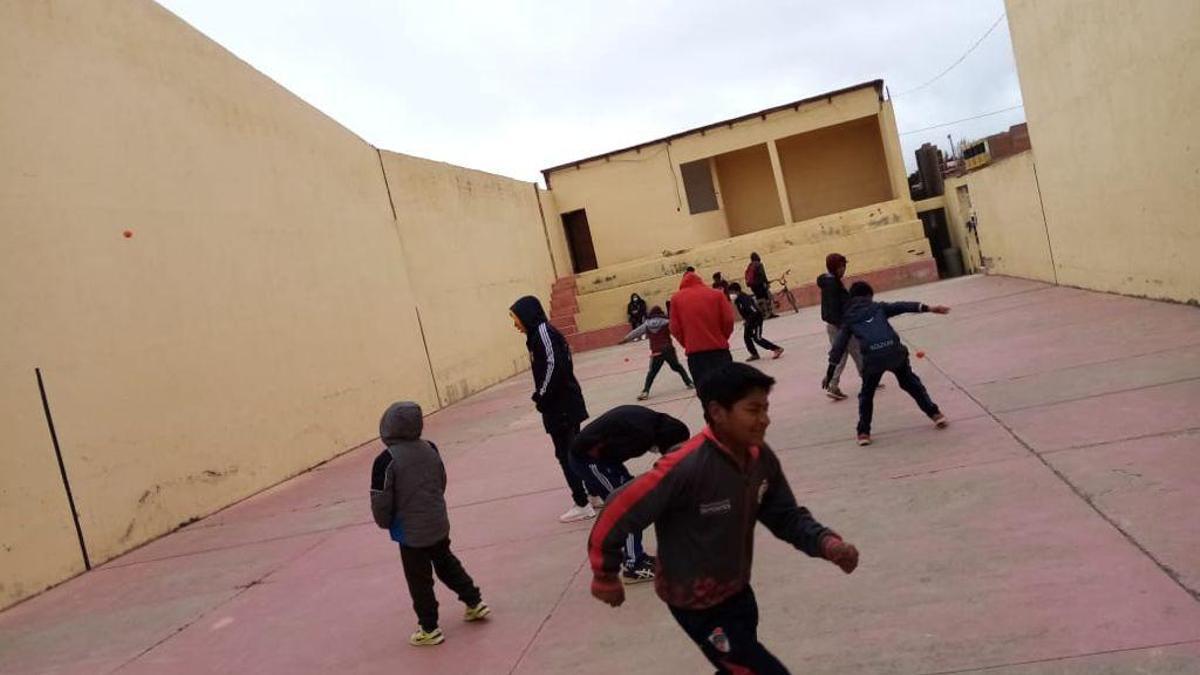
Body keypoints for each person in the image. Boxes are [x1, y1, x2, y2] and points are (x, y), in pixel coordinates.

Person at [587, 364, 860, 674]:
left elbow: (785, 516)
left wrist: (828, 544)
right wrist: (604, 574)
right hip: (694, 603)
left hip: (738, 592)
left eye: (766, 409)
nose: (764, 420)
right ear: (717, 412)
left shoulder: (760, 458)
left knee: (737, 664)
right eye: (753, 410)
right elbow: (618, 510)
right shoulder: (684, 467)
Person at [370, 401, 491, 647]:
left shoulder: (385, 460)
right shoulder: (430, 447)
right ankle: (474, 601)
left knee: (419, 579)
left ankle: (429, 627)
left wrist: (385, 522)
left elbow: (381, 500)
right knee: (446, 563)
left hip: (410, 531)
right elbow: (441, 481)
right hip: (437, 521)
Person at [569, 405, 690, 584]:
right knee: (628, 508)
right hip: (590, 461)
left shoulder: (652, 423)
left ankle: (635, 556)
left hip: (603, 459)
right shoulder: (642, 434)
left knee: (632, 498)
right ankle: (634, 565)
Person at [823, 281, 951, 446]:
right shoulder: (878, 307)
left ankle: (863, 433)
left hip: (872, 359)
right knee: (911, 383)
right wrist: (929, 308)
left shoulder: (849, 319)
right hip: (894, 352)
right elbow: (902, 306)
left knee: (867, 395)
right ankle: (935, 415)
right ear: (869, 295)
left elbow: (838, 347)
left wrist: (829, 373)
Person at [509, 296, 600, 522]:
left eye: (516, 319)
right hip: (560, 403)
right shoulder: (535, 335)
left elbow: (554, 365)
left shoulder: (543, 333)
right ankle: (595, 492)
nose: (515, 325)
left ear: (527, 315)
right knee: (576, 449)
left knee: (566, 454)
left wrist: (542, 394)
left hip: (561, 405)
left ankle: (582, 503)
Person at [668, 269, 735, 392]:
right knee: (729, 391)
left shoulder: (676, 299)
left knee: (706, 394)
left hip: (696, 356)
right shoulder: (717, 295)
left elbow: (674, 328)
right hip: (719, 351)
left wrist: (687, 342)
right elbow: (728, 320)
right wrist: (721, 337)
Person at [620, 305, 693, 400]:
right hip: (668, 350)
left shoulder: (647, 324)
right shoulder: (667, 322)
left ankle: (645, 391)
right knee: (677, 367)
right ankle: (689, 383)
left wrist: (625, 340)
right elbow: (678, 328)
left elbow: (636, 332)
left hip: (656, 352)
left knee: (652, 373)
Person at [817, 253, 862, 401]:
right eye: (843, 266)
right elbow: (834, 308)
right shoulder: (832, 285)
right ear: (837, 267)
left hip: (835, 326)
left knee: (841, 355)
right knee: (857, 351)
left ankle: (833, 384)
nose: (844, 269)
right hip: (840, 326)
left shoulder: (830, 281)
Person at [729, 282, 784, 362]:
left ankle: (777, 349)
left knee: (757, 338)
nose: (731, 294)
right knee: (747, 337)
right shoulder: (738, 300)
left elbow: (754, 312)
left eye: (731, 292)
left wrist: (748, 321)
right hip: (749, 321)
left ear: (737, 291)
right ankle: (754, 354)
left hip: (756, 320)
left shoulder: (745, 299)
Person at [744, 252, 776, 319]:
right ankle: (769, 313)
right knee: (766, 298)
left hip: (753, 286)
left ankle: (763, 314)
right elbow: (763, 275)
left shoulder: (750, 265)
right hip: (760, 284)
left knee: (759, 299)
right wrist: (766, 282)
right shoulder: (759, 264)